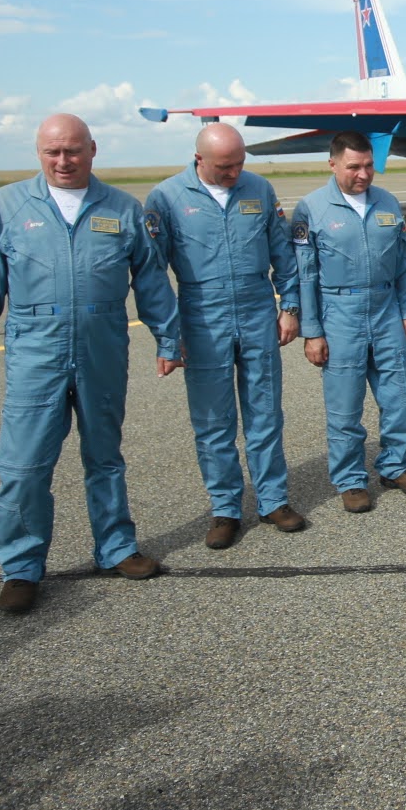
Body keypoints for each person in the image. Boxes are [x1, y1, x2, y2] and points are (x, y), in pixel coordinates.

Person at [0, 113, 181, 615]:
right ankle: (21, 567)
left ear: (92, 150)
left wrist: (169, 338)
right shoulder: (7, 206)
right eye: (52, 152)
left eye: (73, 150)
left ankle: (116, 547)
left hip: (102, 347)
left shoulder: (122, 209)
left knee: (105, 457)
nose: (63, 161)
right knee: (24, 466)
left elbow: (150, 280)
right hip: (36, 351)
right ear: (39, 152)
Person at [143, 123, 304, 549]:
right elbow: (153, 274)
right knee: (214, 422)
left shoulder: (259, 189)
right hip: (201, 317)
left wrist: (289, 308)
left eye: (239, 164)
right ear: (199, 159)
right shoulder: (166, 198)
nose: (234, 173)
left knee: (265, 413)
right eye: (223, 167)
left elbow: (283, 254)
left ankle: (273, 500)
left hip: (256, 311)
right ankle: (226, 509)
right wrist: (167, 336)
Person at [292, 131, 406, 510]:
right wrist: (312, 331)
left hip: (386, 311)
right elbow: (305, 275)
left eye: (369, 166)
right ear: (333, 164)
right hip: (339, 315)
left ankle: (395, 466)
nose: (363, 174)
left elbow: (403, 263)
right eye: (354, 167)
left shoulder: (386, 203)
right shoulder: (312, 208)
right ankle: (351, 480)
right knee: (345, 408)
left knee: (399, 399)